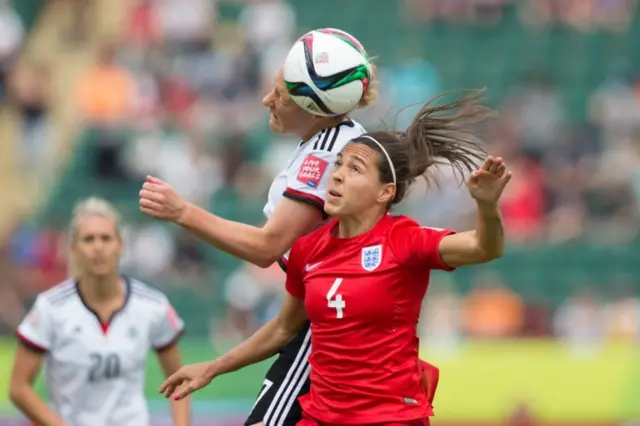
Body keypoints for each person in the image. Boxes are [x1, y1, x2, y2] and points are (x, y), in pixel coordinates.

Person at [156, 90, 511, 425]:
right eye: (338, 164)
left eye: (355, 169)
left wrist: (487, 204)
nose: (337, 175)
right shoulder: (307, 249)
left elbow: (485, 247)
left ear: (384, 192)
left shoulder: (404, 240)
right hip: (321, 416)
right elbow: (283, 328)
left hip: (388, 417)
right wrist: (213, 367)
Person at [139, 30, 384, 426]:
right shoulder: (328, 140)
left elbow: (267, 246)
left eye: (280, 96)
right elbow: (289, 315)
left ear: (314, 108)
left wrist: (183, 212)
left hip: (324, 333)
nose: (267, 100)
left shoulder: (326, 154)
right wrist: (215, 367)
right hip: (316, 320)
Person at [9, 197, 190, 426]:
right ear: (74, 248)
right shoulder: (50, 308)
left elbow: (180, 380)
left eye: (106, 238)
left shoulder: (152, 305)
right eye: (88, 239)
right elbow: (18, 388)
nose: (98, 247)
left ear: (121, 244)